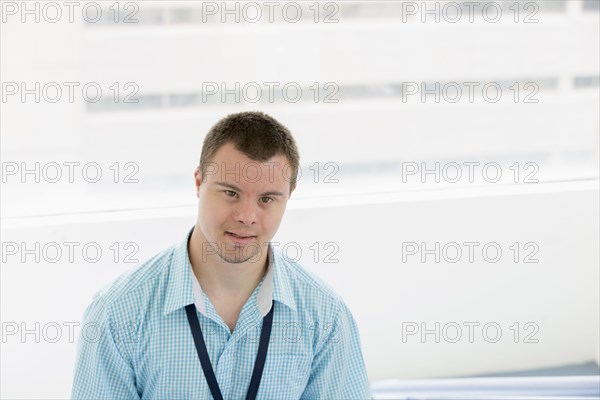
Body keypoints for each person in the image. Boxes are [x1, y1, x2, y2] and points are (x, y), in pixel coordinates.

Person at [71, 111, 371, 399]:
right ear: (199, 182)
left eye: (267, 198)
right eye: (231, 193)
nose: (246, 216)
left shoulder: (326, 316)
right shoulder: (117, 314)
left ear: (289, 196)